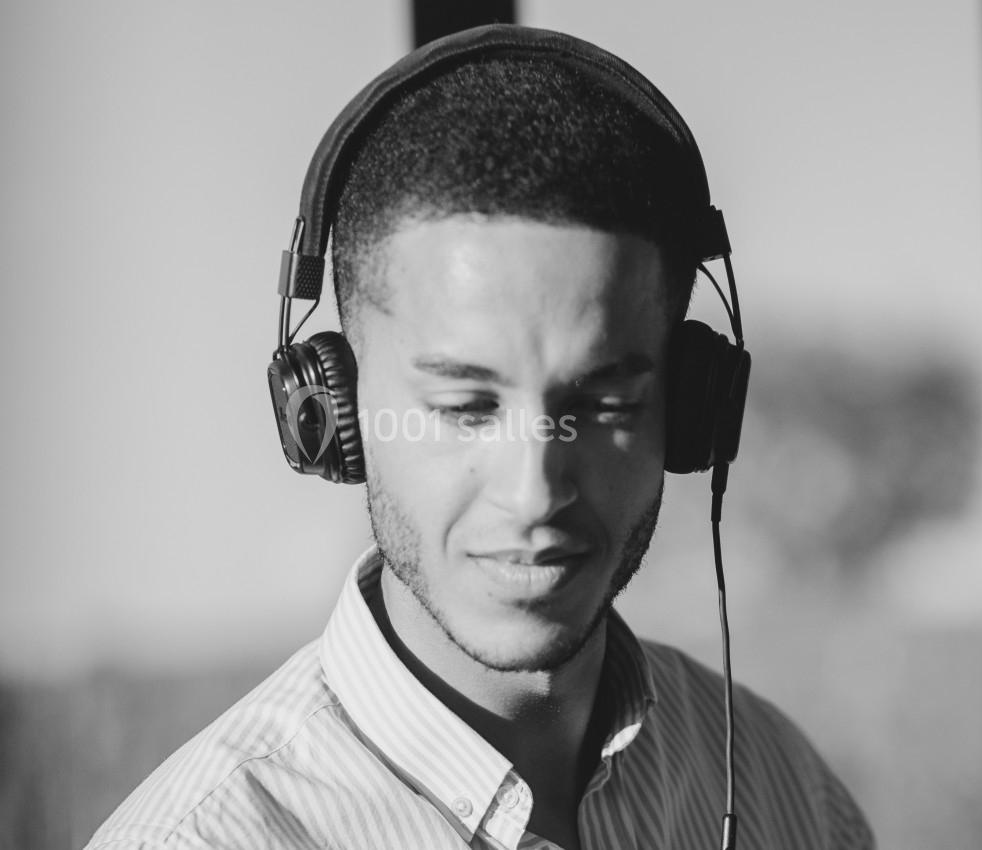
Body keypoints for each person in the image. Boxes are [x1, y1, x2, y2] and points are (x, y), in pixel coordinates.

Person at [86, 25, 874, 850]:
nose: (534, 491)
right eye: (465, 405)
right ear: (333, 411)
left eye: (606, 401)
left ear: (689, 409)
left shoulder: (791, 792)